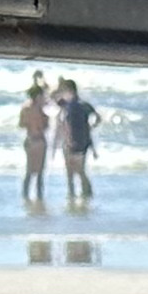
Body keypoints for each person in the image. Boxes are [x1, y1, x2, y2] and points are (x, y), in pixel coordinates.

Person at [55, 75, 97, 203]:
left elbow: (54, 99)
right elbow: (97, 117)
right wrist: (90, 127)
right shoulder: (83, 105)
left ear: (69, 90)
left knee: (72, 172)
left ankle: (74, 195)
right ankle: (84, 195)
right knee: (80, 171)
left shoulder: (69, 105)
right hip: (83, 141)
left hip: (71, 141)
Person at [16, 72, 51, 205]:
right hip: (40, 141)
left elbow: (21, 125)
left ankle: (25, 197)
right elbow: (45, 127)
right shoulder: (40, 110)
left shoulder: (25, 109)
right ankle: (39, 198)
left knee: (29, 171)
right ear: (38, 96)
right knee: (40, 172)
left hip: (29, 140)